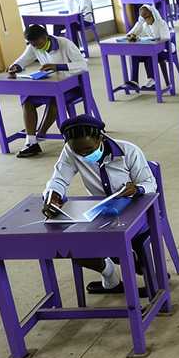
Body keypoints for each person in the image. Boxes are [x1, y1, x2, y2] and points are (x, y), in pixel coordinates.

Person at [40, 115, 157, 295]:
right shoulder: (71, 151)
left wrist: (137, 188)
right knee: (70, 245)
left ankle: (146, 274)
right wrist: (53, 196)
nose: (83, 155)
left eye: (88, 149)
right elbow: (59, 179)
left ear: (100, 138)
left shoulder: (129, 151)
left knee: (128, 240)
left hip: (134, 209)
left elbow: (150, 184)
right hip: (100, 212)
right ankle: (110, 274)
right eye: (78, 151)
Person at [5, 24, 89, 158]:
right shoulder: (34, 46)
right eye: (33, 44)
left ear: (46, 37)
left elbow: (83, 65)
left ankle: (41, 133)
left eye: (38, 44)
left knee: (55, 100)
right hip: (50, 86)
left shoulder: (65, 44)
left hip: (72, 87)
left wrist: (58, 67)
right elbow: (23, 60)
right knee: (27, 101)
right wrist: (15, 67)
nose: (36, 47)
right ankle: (31, 142)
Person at [125, 4, 172, 89]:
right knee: (134, 55)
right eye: (144, 18)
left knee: (149, 54)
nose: (146, 20)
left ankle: (152, 81)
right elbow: (133, 32)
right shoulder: (145, 25)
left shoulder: (161, 23)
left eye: (148, 17)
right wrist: (131, 35)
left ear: (153, 15)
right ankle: (134, 81)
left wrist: (154, 41)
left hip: (164, 51)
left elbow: (165, 40)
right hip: (151, 50)